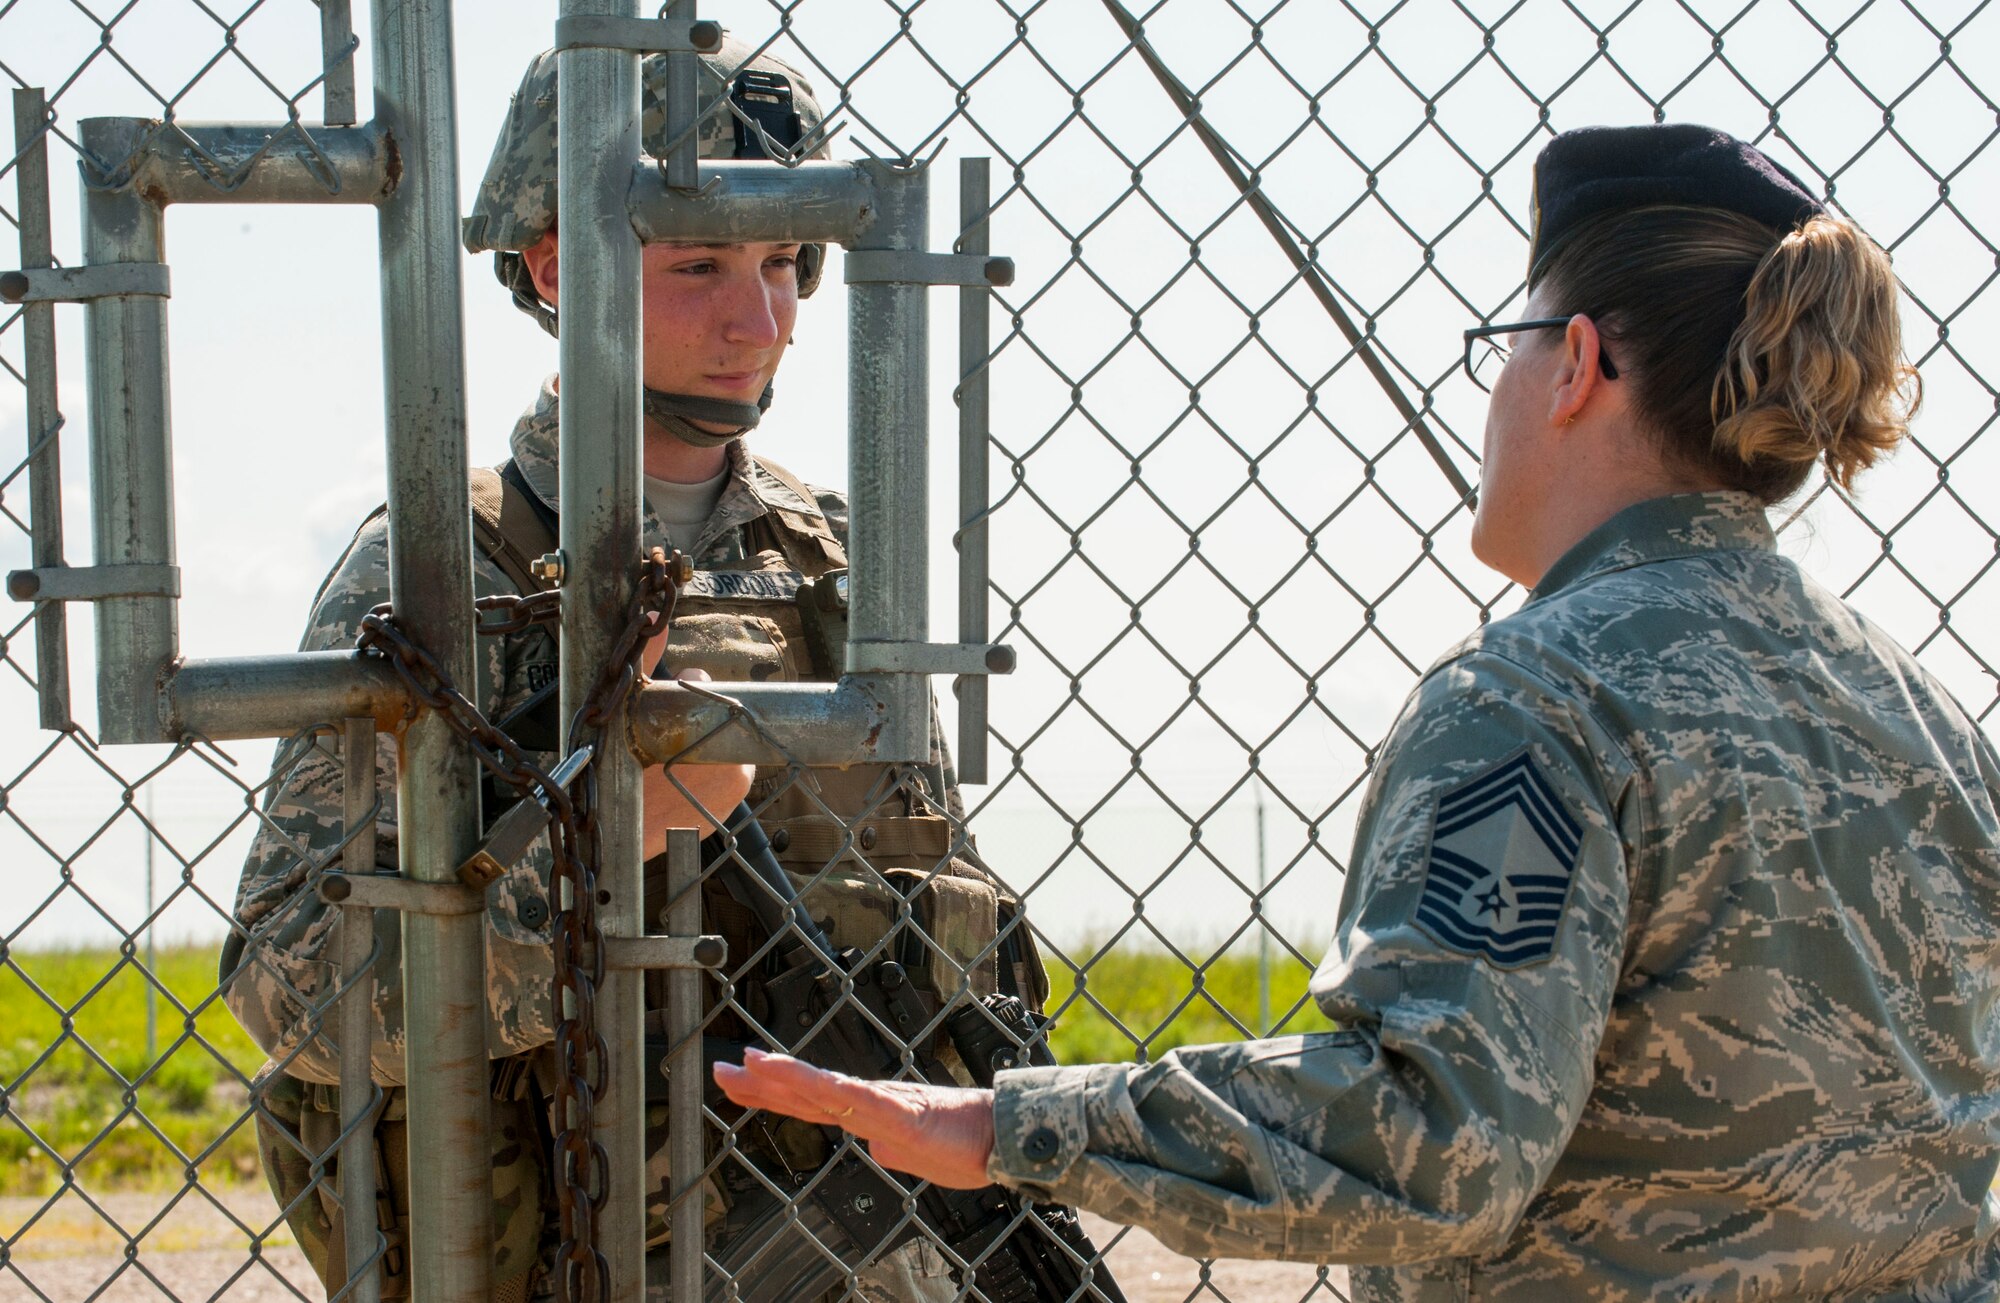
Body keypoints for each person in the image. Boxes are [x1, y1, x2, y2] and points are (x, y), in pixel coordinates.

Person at [717, 123, 2000, 1301]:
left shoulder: (1538, 701)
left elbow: (1435, 1140)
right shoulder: (1922, 714)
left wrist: (1008, 1125)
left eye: (1502, 344)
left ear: (1577, 366)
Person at [223, 36, 1048, 1303]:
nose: (758, 318)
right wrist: (614, 836)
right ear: (557, 265)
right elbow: (290, 998)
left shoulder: (831, 563)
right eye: (702, 262)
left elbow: (943, 917)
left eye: (783, 262)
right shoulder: (448, 565)